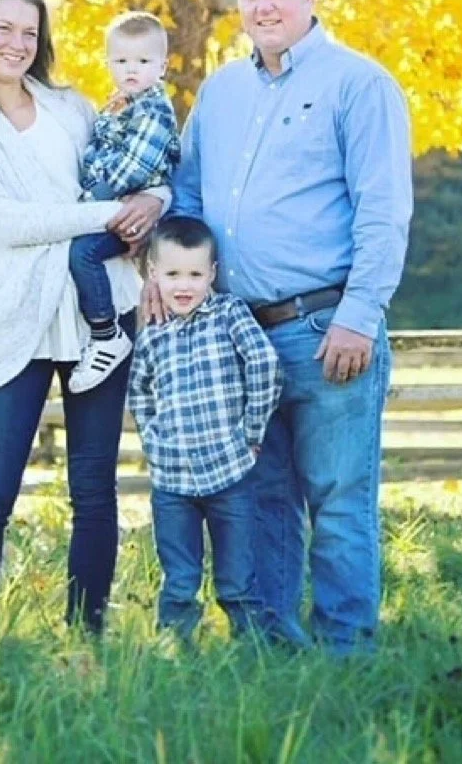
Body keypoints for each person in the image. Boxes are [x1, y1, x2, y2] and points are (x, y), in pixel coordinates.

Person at [152, 0, 413, 653]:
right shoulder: (222, 91)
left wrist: (360, 317)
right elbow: (191, 195)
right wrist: (169, 278)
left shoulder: (359, 84)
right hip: (237, 335)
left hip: (327, 328)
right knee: (261, 501)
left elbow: (383, 210)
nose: (264, 6)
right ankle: (272, 650)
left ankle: (345, 652)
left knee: (337, 501)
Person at [0, 0, 168, 634]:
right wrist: (112, 215)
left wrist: (157, 200)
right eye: (4, 29)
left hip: (101, 309)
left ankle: (88, 636)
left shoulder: (71, 107)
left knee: (94, 490)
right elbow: (1, 221)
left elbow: (138, 168)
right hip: (14, 316)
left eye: (30, 33)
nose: (17, 44)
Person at [127, 216, 283, 644]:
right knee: (180, 578)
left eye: (195, 274)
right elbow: (138, 391)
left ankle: (251, 653)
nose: (184, 285)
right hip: (173, 481)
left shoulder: (229, 313)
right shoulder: (152, 332)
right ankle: (175, 653)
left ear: (212, 274)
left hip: (229, 472)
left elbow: (264, 365)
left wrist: (251, 433)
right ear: (152, 273)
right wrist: (153, 442)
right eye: (173, 274)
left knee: (236, 579)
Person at [68, 12, 181, 394]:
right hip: (112, 208)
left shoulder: (153, 111)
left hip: (131, 214)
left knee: (84, 253)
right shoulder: (118, 104)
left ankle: (106, 334)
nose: (132, 69)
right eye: (122, 61)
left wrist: (89, 199)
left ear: (162, 66)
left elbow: (134, 167)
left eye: (144, 62)